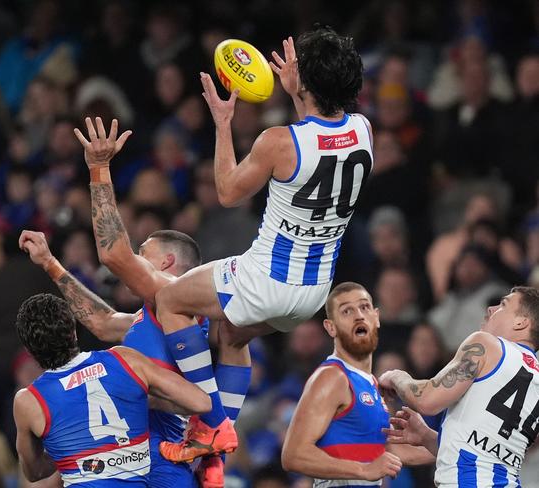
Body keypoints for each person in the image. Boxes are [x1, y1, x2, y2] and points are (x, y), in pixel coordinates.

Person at [75, 25, 372, 463]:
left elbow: (228, 192)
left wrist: (223, 122)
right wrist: (298, 91)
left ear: (305, 82)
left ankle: (211, 422)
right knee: (231, 335)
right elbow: (321, 135)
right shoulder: (364, 130)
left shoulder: (277, 141)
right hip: (312, 295)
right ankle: (215, 452)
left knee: (172, 300)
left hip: (267, 277)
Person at [19, 229, 251, 487]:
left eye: (142, 253)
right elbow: (102, 322)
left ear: (166, 263)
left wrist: (133, 395)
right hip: (145, 448)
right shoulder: (147, 319)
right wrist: (50, 264)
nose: (134, 261)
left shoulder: (177, 306)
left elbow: (202, 398)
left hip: (164, 447)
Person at [12, 293, 211, 486]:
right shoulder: (125, 360)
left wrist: (70, 451)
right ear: (73, 331)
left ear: (29, 351)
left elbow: (34, 472)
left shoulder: (28, 401)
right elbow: (200, 402)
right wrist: (143, 400)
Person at [379, 286, 539, 486]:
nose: (491, 308)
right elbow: (484, 453)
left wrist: (396, 376)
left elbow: (427, 400)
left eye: (503, 304)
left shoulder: (485, 345)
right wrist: (427, 437)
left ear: (521, 322)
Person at [280, 282, 433, 486]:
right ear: (331, 327)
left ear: (376, 317)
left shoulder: (370, 383)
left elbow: (389, 452)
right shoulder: (332, 377)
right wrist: (364, 469)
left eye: (364, 307)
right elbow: (293, 455)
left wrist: (452, 443)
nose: (359, 315)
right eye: (347, 311)